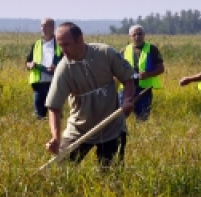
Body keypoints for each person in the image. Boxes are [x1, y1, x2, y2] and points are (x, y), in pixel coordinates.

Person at [45, 22, 136, 170]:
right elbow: (54, 107)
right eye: (60, 46)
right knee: (62, 170)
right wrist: (55, 137)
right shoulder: (63, 69)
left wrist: (127, 100)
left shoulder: (105, 53)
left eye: (67, 45)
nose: (63, 50)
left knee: (111, 174)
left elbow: (128, 79)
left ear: (79, 39)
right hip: (79, 129)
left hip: (112, 126)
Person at [118, 24, 164, 122]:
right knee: (120, 117)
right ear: (130, 37)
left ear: (144, 35)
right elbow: (117, 70)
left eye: (140, 34)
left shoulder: (152, 49)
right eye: (134, 35)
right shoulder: (124, 51)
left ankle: (140, 135)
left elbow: (161, 68)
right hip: (127, 89)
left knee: (142, 117)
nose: (137, 37)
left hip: (144, 90)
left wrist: (147, 74)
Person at [25, 18, 63, 120]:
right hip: (39, 84)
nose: (43, 28)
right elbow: (27, 62)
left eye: (46, 25)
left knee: (55, 113)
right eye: (42, 26)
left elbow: (68, 63)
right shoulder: (36, 44)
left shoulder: (60, 44)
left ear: (53, 28)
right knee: (39, 115)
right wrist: (30, 65)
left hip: (54, 84)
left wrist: (57, 68)